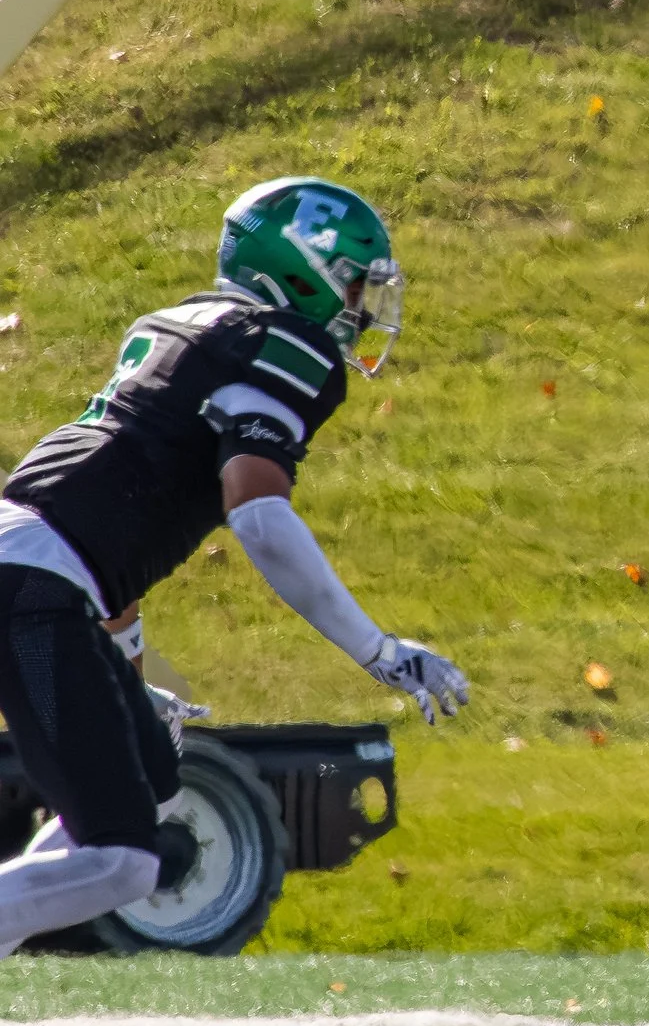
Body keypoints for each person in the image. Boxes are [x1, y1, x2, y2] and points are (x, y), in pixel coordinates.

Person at [0, 179, 466, 955]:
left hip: (34, 565)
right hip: (32, 587)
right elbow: (258, 515)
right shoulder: (288, 347)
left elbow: (100, 542)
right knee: (121, 862)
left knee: (151, 787)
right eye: (356, 284)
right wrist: (377, 651)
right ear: (304, 272)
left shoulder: (184, 325)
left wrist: (126, 674)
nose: (362, 308)